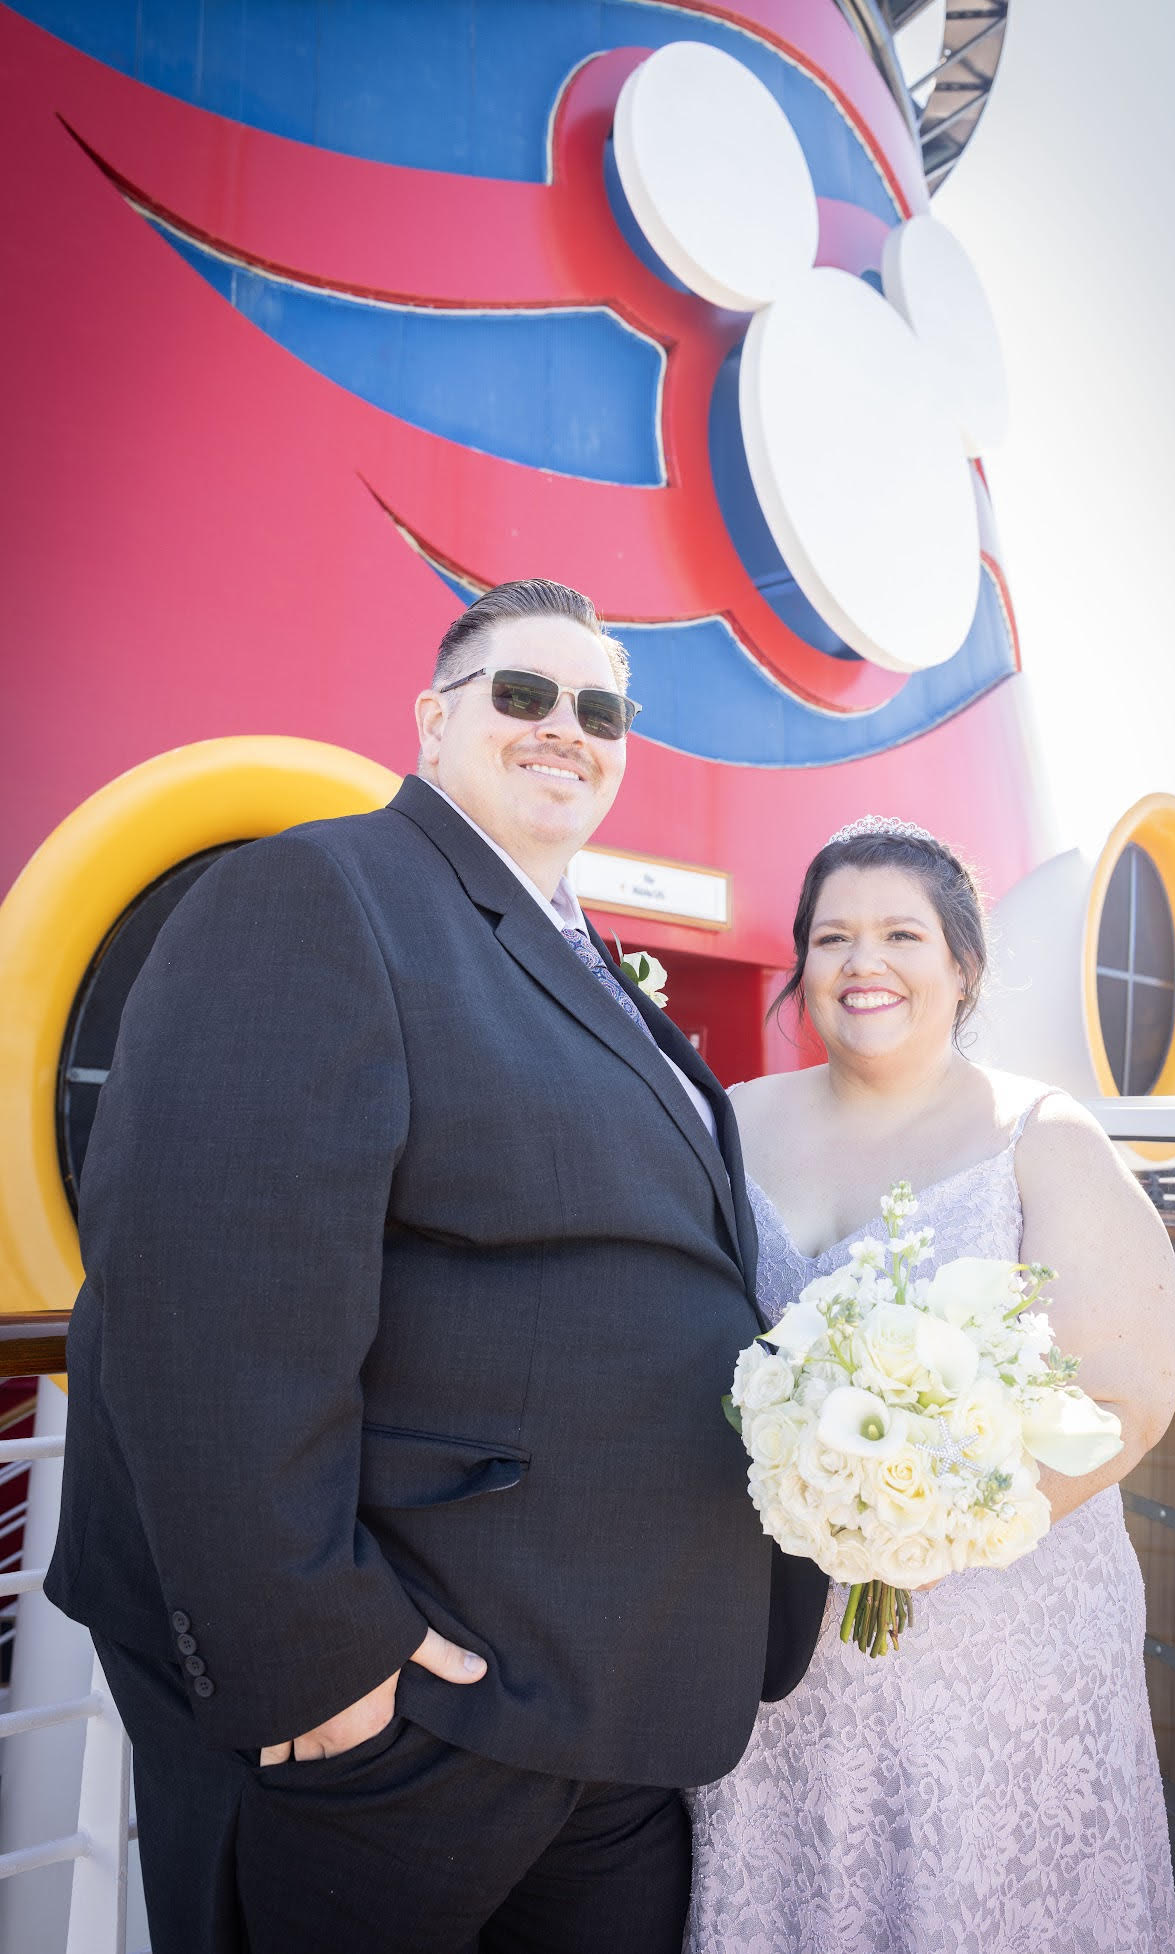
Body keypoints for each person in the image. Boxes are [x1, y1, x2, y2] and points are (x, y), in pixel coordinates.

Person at [45, 578, 825, 1954]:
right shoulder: (318, 890)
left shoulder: (573, 955)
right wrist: (318, 1656)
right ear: (434, 720)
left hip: (613, 1711)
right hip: (407, 1721)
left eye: (601, 708)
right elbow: (199, 1296)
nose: (564, 729)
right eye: (522, 695)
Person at [685, 814, 1175, 1954]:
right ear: (800, 966)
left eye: (900, 934)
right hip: (777, 1644)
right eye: (830, 938)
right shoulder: (728, 1123)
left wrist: (912, 1531)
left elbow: (1128, 1389)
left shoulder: (1039, 1134)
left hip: (994, 1642)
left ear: (962, 965)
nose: (862, 963)